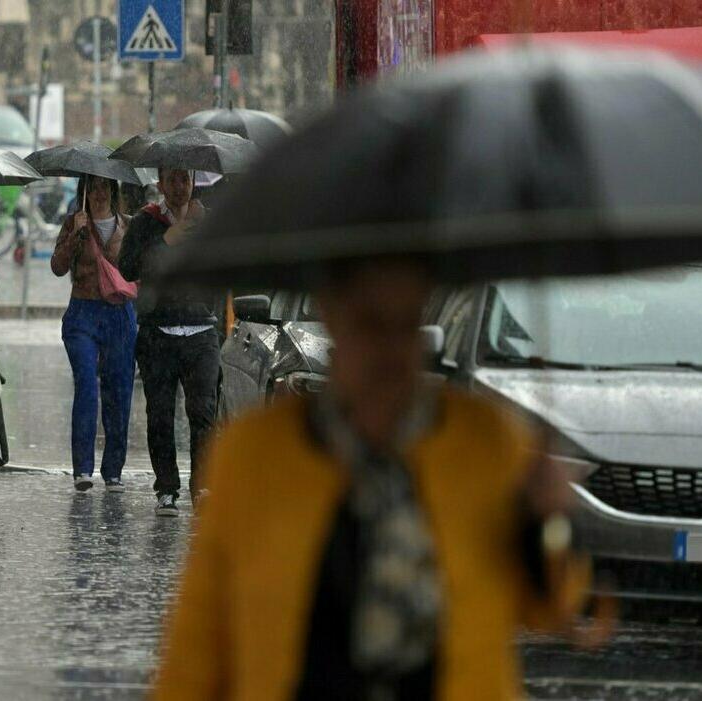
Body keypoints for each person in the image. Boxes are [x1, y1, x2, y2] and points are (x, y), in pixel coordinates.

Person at [154, 258, 590, 700]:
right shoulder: (255, 454)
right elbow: (197, 647)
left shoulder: (487, 442)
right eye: (370, 324)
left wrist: (550, 520)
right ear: (333, 317)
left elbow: (554, 606)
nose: (388, 349)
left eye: (405, 325)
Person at [118, 168, 223, 517]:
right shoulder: (145, 223)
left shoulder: (207, 224)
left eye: (186, 180)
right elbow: (128, 268)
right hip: (157, 332)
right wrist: (168, 240)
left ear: (193, 184)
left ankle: (202, 485)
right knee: (160, 415)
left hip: (201, 331)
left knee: (203, 414)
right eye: (173, 180)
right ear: (161, 184)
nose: (180, 187)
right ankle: (167, 487)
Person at [50, 174, 136, 493]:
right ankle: (82, 468)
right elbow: (58, 267)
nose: (98, 194)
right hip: (82, 313)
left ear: (113, 191)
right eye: (92, 187)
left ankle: (113, 470)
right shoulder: (75, 222)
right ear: (84, 191)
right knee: (86, 383)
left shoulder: (129, 225)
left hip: (119, 315)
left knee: (119, 390)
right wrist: (75, 236)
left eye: (104, 187)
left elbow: (141, 267)